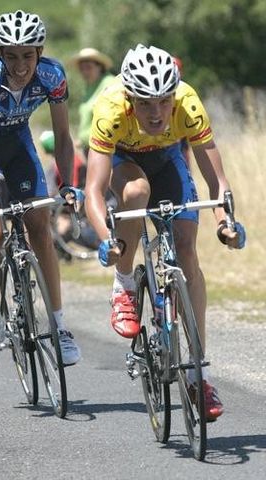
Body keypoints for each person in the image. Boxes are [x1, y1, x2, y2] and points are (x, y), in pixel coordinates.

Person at [85, 44, 246, 421]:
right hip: (126, 164)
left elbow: (216, 179)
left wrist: (226, 221)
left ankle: (198, 376)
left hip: (168, 160)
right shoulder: (110, 108)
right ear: (129, 98)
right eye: (145, 103)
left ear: (174, 94)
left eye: (163, 101)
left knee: (188, 250)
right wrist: (106, 240)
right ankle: (124, 283)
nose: (156, 113)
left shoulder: (188, 104)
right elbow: (93, 189)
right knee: (137, 193)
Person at [0, 10, 82, 366]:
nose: (20, 65)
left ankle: (59, 325)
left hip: (18, 146)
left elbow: (64, 139)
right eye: (11, 55)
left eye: (27, 55)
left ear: (39, 52)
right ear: (0, 54)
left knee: (40, 225)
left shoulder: (53, 76)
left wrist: (69, 186)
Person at [69, 47, 115, 158]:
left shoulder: (110, 84)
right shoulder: (90, 88)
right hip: (90, 148)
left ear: (100, 66)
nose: (85, 72)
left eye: (88, 67)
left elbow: (112, 120)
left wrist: (85, 139)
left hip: (105, 149)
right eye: (82, 68)